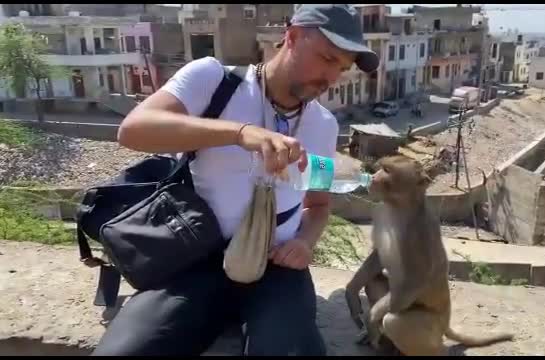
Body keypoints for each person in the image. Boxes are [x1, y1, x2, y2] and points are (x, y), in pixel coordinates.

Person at [91, 4, 379, 356]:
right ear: (290, 37)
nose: (333, 78)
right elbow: (134, 130)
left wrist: (305, 242)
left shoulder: (323, 126)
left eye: (343, 68)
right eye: (327, 58)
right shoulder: (213, 81)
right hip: (196, 258)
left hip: (277, 269)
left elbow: (317, 205)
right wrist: (240, 133)